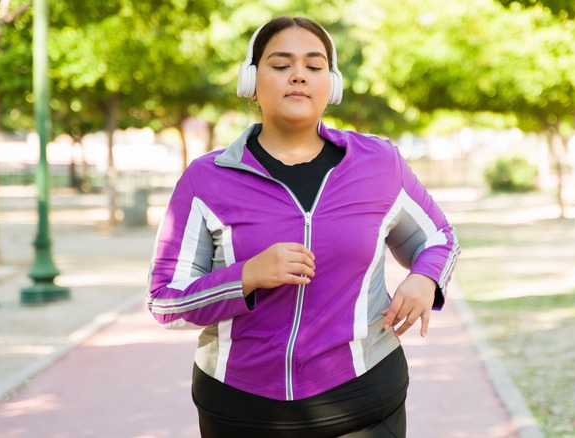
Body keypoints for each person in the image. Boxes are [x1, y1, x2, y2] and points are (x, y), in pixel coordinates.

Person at [146, 16, 459, 437]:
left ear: (332, 84)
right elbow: (166, 299)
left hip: (363, 398)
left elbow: (439, 239)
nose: (298, 76)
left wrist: (425, 279)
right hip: (240, 408)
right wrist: (247, 276)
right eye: (280, 65)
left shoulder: (379, 164)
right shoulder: (206, 179)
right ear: (251, 82)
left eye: (314, 66)